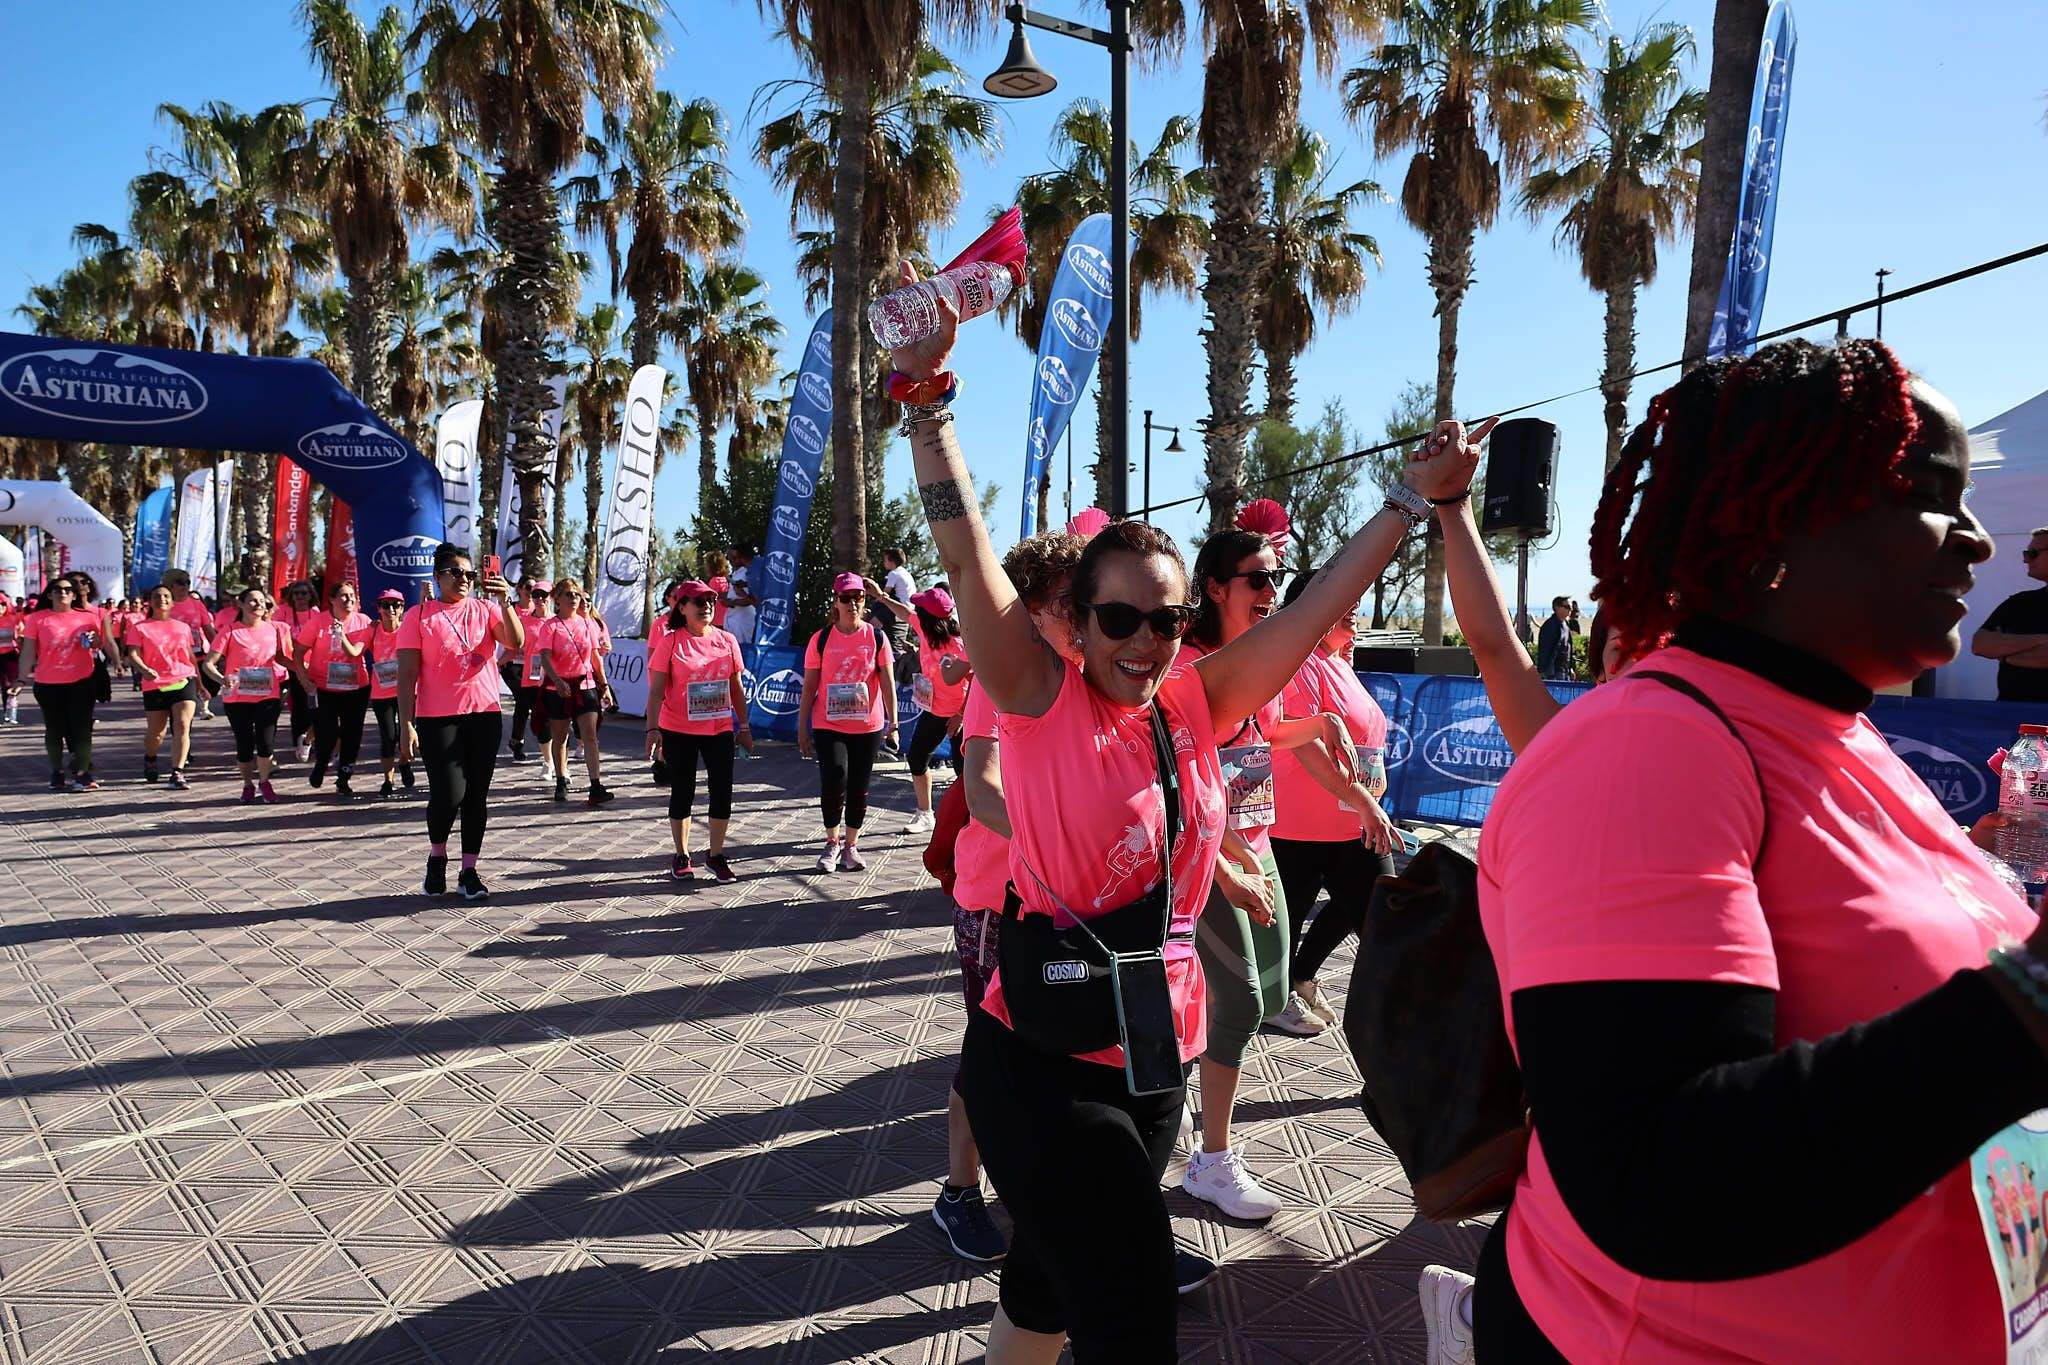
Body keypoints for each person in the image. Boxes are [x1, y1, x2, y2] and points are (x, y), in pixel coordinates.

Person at [887, 262, 1486, 1361]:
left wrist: (1412, 500)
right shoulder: (1036, 697)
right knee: (1130, 1313)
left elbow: (1315, 605)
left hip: (1155, 1044)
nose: (1141, 642)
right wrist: (929, 403)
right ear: (1077, 621)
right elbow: (966, 556)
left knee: (1043, 1293)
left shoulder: (1193, 703)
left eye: (1162, 622)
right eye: (1117, 619)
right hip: (1042, 1051)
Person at [1465, 338, 2048, 1362]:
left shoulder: (1832, 724)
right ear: (1779, 513)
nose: (1974, 540)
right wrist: (2032, 993)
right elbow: (1654, 1177)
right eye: (1928, 493)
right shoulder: (1645, 744)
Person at [1265, 572, 1402, 1039]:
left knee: (1373, 909)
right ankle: (1277, 998)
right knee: (1288, 918)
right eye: (1344, 600)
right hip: (1302, 823)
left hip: (1349, 822)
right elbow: (1306, 743)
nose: (1355, 606)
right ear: (1314, 608)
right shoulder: (1299, 660)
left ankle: (1301, 979)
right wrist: (1363, 799)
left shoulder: (1337, 659)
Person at [397, 543, 524, 901]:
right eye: (455, 573)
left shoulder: (486, 608)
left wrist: (506, 602)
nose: (464, 579)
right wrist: (406, 724)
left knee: (476, 797)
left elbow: (516, 641)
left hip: (484, 715)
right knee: (448, 795)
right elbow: (406, 675)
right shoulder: (419, 616)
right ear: (437, 577)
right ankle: (437, 856)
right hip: (437, 718)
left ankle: (469, 872)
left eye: (469, 574)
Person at [644, 579, 752, 881]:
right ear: (682, 607)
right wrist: (652, 729)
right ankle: (681, 854)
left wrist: (744, 726)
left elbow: (736, 687)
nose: (706, 607)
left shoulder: (727, 640)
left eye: (710, 601)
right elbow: (656, 692)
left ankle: (716, 855)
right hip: (678, 729)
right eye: (698, 602)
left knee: (722, 791)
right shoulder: (670, 642)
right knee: (683, 790)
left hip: (719, 728)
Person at [798, 571, 896, 872]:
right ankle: (832, 841)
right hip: (829, 724)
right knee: (834, 778)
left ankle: (851, 845)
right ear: (836, 601)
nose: (852, 603)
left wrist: (894, 724)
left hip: (867, 726)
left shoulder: (877, 637)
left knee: (859, 785)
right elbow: (809, 687)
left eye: (858, 597)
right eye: (846, 598)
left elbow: (888, 683)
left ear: (864, 600)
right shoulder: (821, 639)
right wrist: (802, 727)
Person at [867, 580, 969, 833]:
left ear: (930, 618)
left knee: (964, 773)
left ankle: (970, 824)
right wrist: (881, 596)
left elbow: (978, 683)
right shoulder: (925, 630)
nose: (915, 614)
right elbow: (904, 612)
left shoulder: (960, 645)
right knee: (916, 758)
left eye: (920, 611)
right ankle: (925, 814)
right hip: (934, 710)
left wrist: (960, 715)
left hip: (961, 716)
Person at [202, 587, 296, 804]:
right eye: (253, 601)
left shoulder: (273, 629)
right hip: (237, 698)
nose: (259, 605)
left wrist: (302, 669)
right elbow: (208, 664)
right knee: (244, 745)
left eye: (262, 601)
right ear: (241, 605)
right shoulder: (230, 631)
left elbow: (281, 658)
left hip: (268, 695)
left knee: (266, 743)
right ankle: (247, 784)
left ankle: (264, 782)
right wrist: (221, 679)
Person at [535, 577, 616, 806]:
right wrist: (557, 680)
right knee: (560, 737)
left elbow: (595, 657)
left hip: (585, 685)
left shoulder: (587, 624)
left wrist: (604, 686)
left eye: (577, 594)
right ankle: (561, 780)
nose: (574, 598)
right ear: (557, 599)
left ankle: (596, 785)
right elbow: (545, 657)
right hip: (558, 688)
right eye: (568, 594)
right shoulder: (550, 626)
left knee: (590, 736)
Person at [19, 579, 105, 791]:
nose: (63, 593)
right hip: (48, 682)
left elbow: (98, 644)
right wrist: (21, 678)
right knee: (54, 729)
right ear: (49, 595)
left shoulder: (88, 617)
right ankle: (57, 772)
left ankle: (83, 774)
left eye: (68, 590)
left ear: (74, 595)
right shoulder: (37, 619)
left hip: (82, 681)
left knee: (82, 728)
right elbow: (28, 651)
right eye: (57, 589)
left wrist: (95, 640)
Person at [298, 580, 375, 798]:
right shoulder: (318, 621)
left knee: (352, 734)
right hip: (323, 688)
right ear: (332, 600)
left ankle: (344, 777)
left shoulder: (363, 621)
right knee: (327, 733)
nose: (349, 599)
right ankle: (321, 763)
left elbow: (355, 653)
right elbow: (298, 651)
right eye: (343, 595)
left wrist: (340, 635)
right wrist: (304, 678)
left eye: (352, 596)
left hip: (356, 688)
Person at [124, 585, 200, 789]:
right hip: (155, 683)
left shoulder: (182, 627)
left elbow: (190, 656)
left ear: (173, 602)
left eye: (166, 596)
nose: (162, 599)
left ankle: (177, 772)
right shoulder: (140, 627)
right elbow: (133, 654)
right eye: (157, 596)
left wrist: (200, 683)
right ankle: (150, 757)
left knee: (182, 725)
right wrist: (144, 670)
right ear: (150, 602)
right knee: (156, 733)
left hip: (183, 679)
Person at [1973, 526, 2048, 702]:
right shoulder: (2019, 602)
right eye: (2026, 553)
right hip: (2008, 713)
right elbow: (1980, 644)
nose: (2026, 560)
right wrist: (2041, 640)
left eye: (2033, 553)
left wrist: (2004, 655)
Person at [368, 589, 416, 799]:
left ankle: (404, 762)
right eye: (385, 605)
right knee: (388, 737)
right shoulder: (372, 630)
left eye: (396, 605)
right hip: (382, 693)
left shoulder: (409, 629)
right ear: (378, 608)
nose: (391, 609)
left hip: (408, 690)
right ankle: (388, 780)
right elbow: (354, 649)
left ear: (402, 608)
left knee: (408, 733)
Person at [159, 570, 217, 720]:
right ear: (170, 585)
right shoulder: (163, 605)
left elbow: (208, 630)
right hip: (172, 657)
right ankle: (179, 713)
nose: (185, 586)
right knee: (181, 692)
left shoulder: (196, 604)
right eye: (180, 582)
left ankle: (203, 708)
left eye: (187, 582)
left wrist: (220, 652)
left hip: (196, 651)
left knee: (205, 682)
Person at [276, 580, 322, 760]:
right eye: (296, 593)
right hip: (292, 666)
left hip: (314, 666)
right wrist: (296, 666)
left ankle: (313, 739)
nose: (300, 597)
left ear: (311, 595)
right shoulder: (283, 612)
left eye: (304, 593)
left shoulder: (315, 612)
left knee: (316, 705)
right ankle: (299, 741)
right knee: (300, 707)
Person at [1533, 596, 1577, 680]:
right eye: (1567, 607)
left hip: (1564, 671)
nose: (1570, 610)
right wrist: (1548, 674)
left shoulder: (1565, 624)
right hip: (1553, 673)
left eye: (1571, 607)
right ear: (1557, 607)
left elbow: (1568, 648)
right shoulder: (1550, 626)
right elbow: (1545, 651)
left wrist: (1570, 668)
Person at [723, 544, 758, 645]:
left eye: (734, 557)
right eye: (729, 557)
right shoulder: (735, 574)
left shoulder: (747, 573)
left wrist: (731, 602)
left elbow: (751, 600)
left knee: (742, 649)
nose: (731, 560)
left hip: (742, 621)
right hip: (732, 619)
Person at [0, 590, 22, 724]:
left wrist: (20, 642)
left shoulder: (13, 619)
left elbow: (23, 634)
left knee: (9, 685)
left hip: (10, 656)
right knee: (3, 684)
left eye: (2, 605)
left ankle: (10, 712)